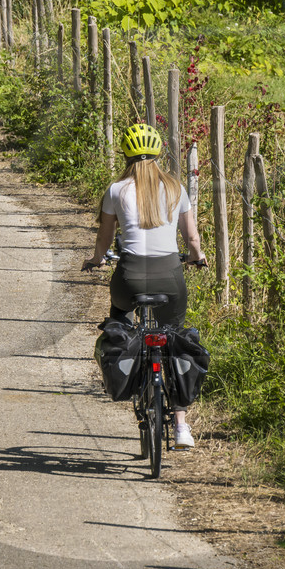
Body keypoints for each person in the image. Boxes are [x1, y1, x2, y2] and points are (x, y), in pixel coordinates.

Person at [82, 123, 206, 448]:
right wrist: (198, 257)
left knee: (120, 319)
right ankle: (181, 426)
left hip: (129, 276)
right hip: (170, 276)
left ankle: (131, 373)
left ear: (125, 153)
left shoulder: (115, 190)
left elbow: (104, 238)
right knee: (174, 336)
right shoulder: (177, 188)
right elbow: (192, 238)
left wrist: (97, 260)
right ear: (159, 152)